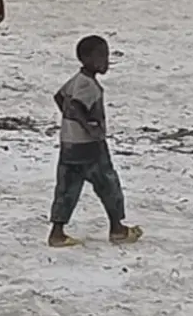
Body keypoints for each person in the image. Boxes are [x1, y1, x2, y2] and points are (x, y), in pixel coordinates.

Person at [50, 35, 144, 248]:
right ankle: (117, 228)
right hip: (90, 148)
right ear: (86, 58)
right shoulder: (88, 86)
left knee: (66, 189)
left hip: (69, 145)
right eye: (101, 57)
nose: (106, 61)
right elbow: (74, 107)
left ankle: (57, 232)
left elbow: (60, 98)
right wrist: (89, 128)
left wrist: (71, 124)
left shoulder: (76, 80)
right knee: (108, 185)